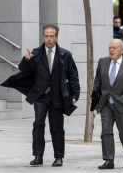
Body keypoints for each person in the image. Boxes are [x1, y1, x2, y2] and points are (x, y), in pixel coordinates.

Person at [17, 24, 80, 167]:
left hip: (57, 96)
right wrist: (26, 60)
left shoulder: (65, 55)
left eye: (52, 36)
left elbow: (73, 75)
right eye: (46, 36)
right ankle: (38, 155)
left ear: (56, 37)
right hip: (40, 96)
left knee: (57, 127)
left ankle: (58, 157)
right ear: (43, 37)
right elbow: (24, 70)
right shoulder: (36, 53)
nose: (49, 39)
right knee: (38, 123)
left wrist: (75, 94)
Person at [91, 39, 123, 169]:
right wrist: (95, 101)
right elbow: (97, 83)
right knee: (106, 132)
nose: (111, 50)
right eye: (110, 48)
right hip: (106, 103)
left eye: (114, 48)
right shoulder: (103, 62)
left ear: (122, 50)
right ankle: (109, 160)